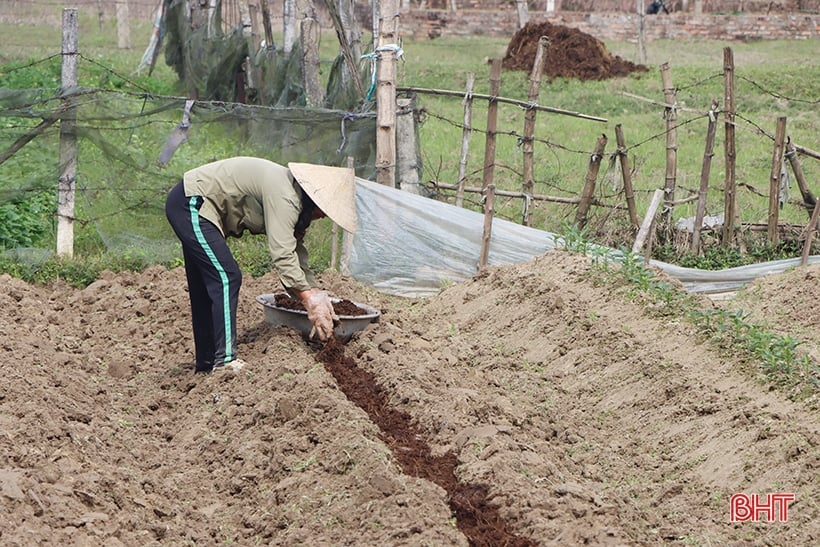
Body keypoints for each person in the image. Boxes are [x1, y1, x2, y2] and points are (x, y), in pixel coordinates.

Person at [165, 157, 357, 373]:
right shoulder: (285, 196)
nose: (323, 217)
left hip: (194, 203)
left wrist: (315, 292)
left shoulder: (294, 199)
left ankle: (206, 365)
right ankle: (225, 361)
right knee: (227, 277)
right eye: (325, 210)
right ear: (315, 199)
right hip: (192, 202)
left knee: (206, 286)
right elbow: (283, 255)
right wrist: (309, 300)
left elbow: (295, 251)